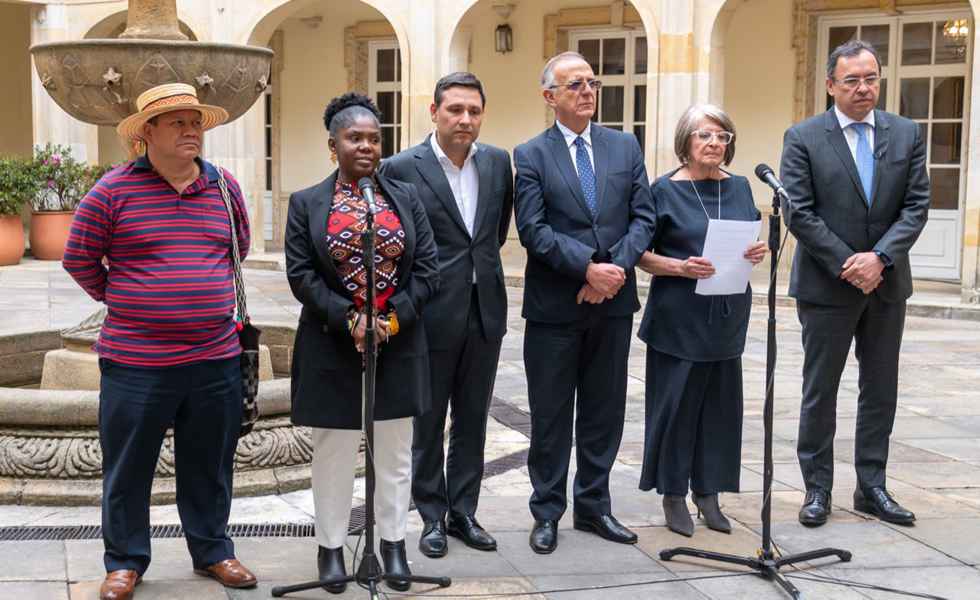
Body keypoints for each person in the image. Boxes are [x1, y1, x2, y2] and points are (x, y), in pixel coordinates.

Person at [63, 83, 258, 600]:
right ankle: (125, 561)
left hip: (215, 356)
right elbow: (79, 258)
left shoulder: (223, 187)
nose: (192, 130)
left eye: (196, 121)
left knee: (211, 463)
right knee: (128, 467)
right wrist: (132, 300)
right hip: (136, 361)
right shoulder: (113, 190)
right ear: (147, 132)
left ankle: (214, 549)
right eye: (178, 122)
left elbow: (237, 248)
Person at [285, 93, 439, 593]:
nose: (367, 146)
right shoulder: (307, 203)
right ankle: (331, 548)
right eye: (355, 138)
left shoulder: (405, 198)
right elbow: (301, 274)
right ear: (333, 146)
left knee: (395, 455)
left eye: (374, 138)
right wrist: (348, 317)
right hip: (333, 347)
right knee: (334, 452)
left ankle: (393, 546)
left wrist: (390, 321)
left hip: (398, 343)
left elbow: (428, 270)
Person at [779, 40, 929, 527]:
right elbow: (797, 211)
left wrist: (880, 259)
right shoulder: (803, 137)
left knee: (880, 388)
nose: (864, 88)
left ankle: (872, 487)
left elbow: (916, 205)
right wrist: (850, 262)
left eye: (871, 79)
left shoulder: (905, 133)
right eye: (852, 80)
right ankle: (817, 489)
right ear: (830, 85)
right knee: (820, 390)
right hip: (827, 285)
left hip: (886, 284)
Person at [514, 51, 657, 554]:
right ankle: (547, 511)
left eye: (592, 82)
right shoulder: (530, 154)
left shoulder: (624, 146)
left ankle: (594, 507)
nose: (587, 91)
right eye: (575, 84)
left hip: (612, 305)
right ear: (549, 96)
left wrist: (611, 271)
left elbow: (644, 216)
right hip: (555, 308)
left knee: (603, 411)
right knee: (551, 415)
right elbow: (533, 229)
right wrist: (586, 268)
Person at [379, 72, 513, 558]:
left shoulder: (498, 163)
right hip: (430, 313)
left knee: (474, 417)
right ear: (433, 112)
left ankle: (464, 512)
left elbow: (493, 235)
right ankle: (431, 515)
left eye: (474, 111)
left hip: (485, 310)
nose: (465, 119)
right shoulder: (400, 167)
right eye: (455, 110)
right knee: (428, 420)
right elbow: (397, 245)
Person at [636, 104, 767, 537]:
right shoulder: (663, 190)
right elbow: (640, 254)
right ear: (685, 142)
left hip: (726, 314)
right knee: (676, 408)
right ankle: (673, 493)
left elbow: (747, 238)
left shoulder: (742, 187)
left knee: (720, 409)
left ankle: (708, 492)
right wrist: (679, 267)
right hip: (678, 317)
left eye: (722, 136)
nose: (714, 144)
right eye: (704, 135)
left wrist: (755, 251)